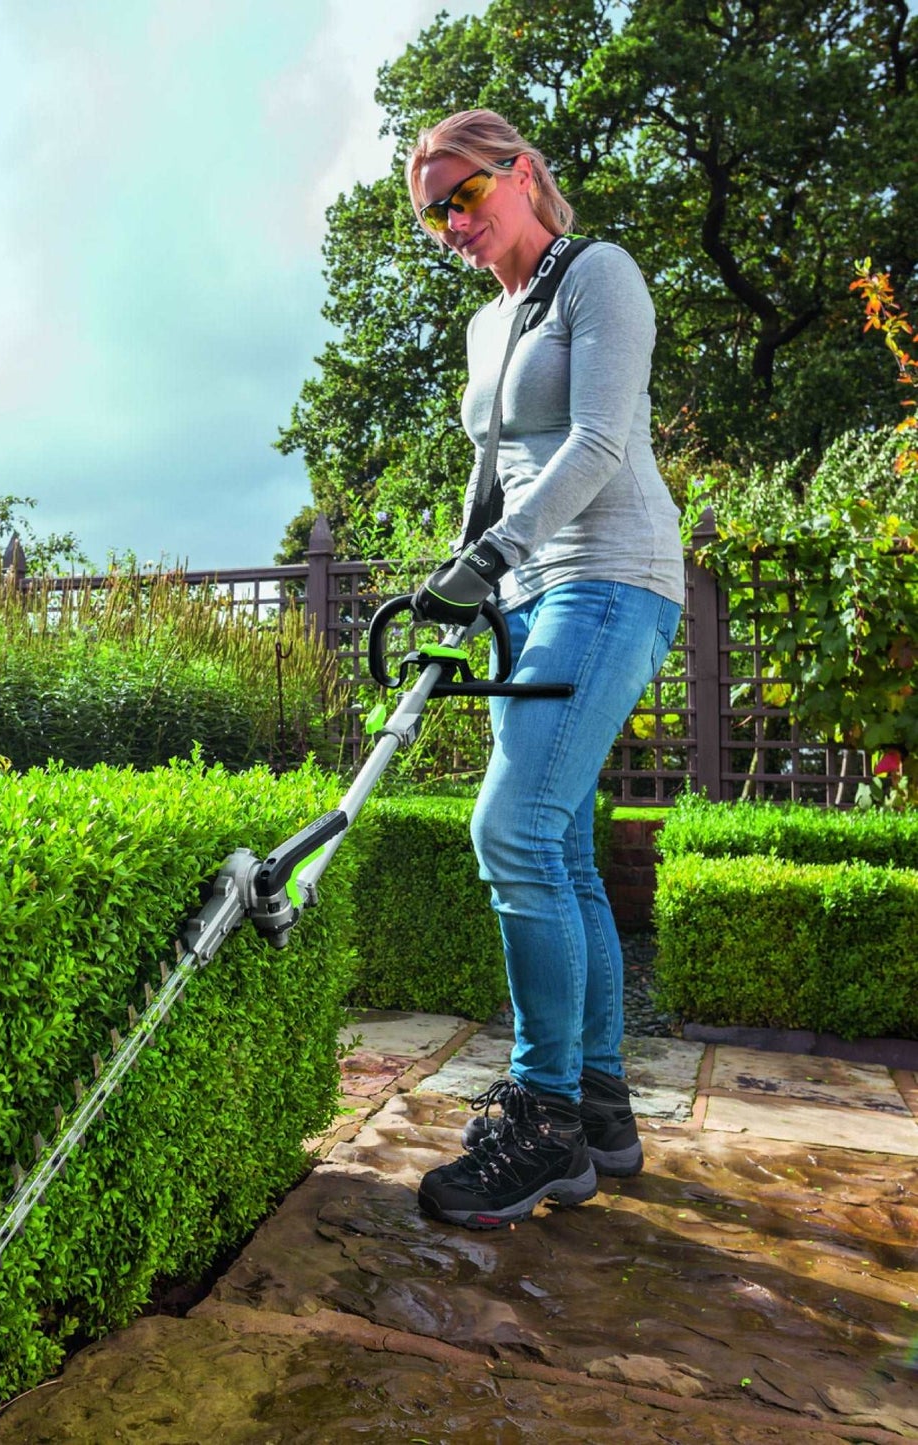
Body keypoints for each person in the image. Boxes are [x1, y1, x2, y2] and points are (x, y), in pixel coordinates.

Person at [402, 109, 685, 1229]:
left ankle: (543, 1115)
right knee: (561, 842)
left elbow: (598, 443)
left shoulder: (596, 275)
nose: (445, 226)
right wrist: (459, 583)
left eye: (459, 196)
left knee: (508, 827)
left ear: (518, 173)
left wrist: (498, 557)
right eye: (429, 214)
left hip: (609, 575)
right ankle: (603, 1107)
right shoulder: (487, 324)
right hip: (523, 595)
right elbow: (493, 474)